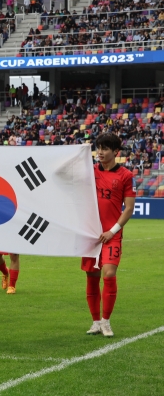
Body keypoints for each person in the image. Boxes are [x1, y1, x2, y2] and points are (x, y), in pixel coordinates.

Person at [83, 133, 135, 337]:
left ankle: (106, 321)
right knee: (92, 277)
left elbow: (129, 208)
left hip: (111, 233)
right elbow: (62, 174)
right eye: (98, 148)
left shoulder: (125, 175)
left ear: (116, 152)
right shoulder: (89, 171)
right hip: (90, 234)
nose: (100, 153)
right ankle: (95, 321)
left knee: (110, 273)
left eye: (105, 149)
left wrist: (112, 230)